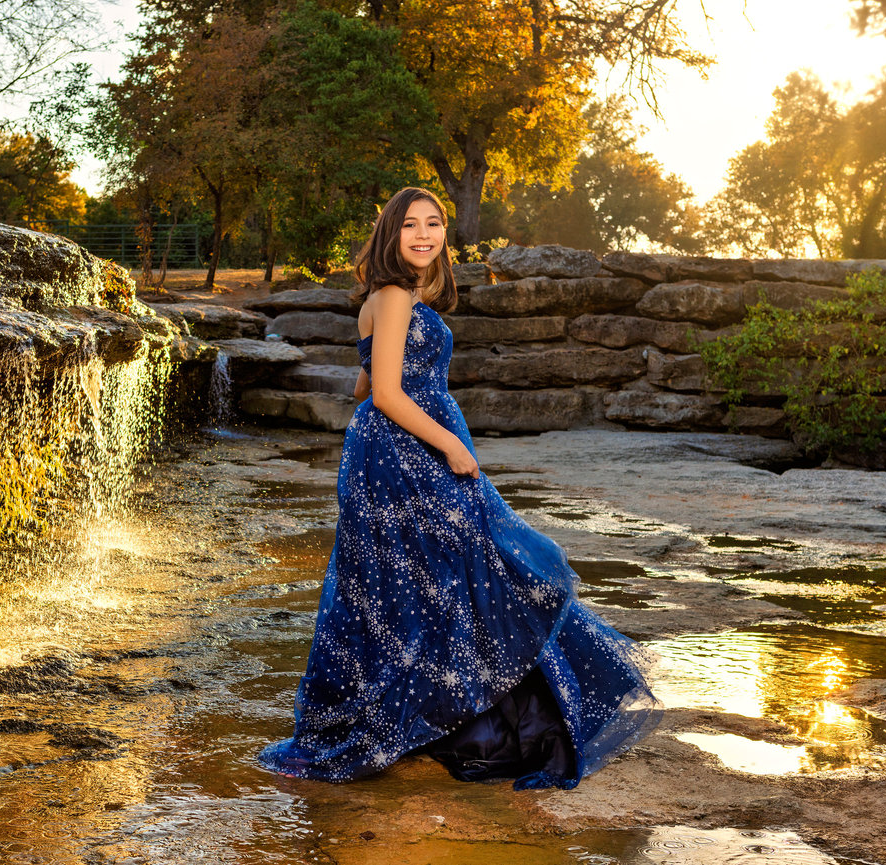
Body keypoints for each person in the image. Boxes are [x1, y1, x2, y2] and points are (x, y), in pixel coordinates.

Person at [256, 187, 661, 790]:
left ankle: (444, 716)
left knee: (417, 580)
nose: (424, 234)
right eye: (410, 225)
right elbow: (389, 394)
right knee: (461, 568)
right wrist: (447, 441)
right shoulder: (393, 294)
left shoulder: (393, 298)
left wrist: (406, 419)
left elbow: (366, 387)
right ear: (390, 234)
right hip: (406, 450)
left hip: (389, 448)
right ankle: (473, 721)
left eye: (435, 223)